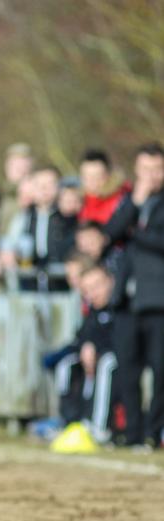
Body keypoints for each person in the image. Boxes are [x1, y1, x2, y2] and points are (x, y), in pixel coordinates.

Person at [104, 142, 164, 450]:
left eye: (157, 169)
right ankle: (134, 432)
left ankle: (154, 433)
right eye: (146, 170)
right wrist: (133, 207)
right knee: (127, 369)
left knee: (160, 371)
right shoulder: (129, 202)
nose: (152, 176)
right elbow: (108, 236)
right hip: (126, 301)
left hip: (158, 302)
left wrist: (134, 230)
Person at [49, 263, 118, 454]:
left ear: (110, 282)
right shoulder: (92, 312)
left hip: (114, 362)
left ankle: (98, 427)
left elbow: (121, 343)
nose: (93, 293)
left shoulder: (120, 308)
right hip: (91, 361)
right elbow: (81, 338)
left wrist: (97, 350)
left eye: (97, 286)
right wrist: (86, 346)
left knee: (106, 364)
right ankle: (70, 423)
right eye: (87, 290)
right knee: (66, 364)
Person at [0, 165, 76, 292]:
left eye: (50, 184)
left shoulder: (69, 219)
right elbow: (8, 244)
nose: (45, 189)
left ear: (59, 187)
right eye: (39, 185)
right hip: (29, 287)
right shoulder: (23, 218)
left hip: (62, 288)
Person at [78, 148, 130, 225]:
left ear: (108, 175)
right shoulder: (77, 202)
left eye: (97, 176)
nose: (92, 182)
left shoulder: (122, 200)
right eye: (87, 177)